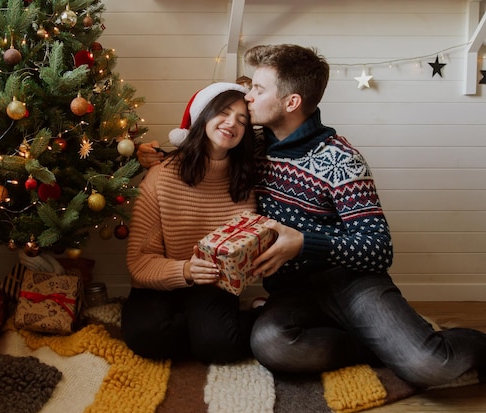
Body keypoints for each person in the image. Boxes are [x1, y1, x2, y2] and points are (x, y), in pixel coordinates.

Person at [137, 44, 486, 388]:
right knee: (271, 345)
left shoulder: (341, 158)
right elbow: (206, 150)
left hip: (352, 284)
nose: (248, 97)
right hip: (292, 292)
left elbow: (379, 248)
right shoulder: (252, 150)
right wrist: (159, 155)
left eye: (258, 89)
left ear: (291, 102)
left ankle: (467, 345)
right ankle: (370, 346)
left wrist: (305, 243)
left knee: (429, 365)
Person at [121, 82, 258, 364]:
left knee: (220, 348)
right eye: (224, 112)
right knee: (146, 337)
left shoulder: (244, 180)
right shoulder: (161, 176)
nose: (232, 123)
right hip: (162, 279)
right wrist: (185, 270)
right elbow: (140, 260)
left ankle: (252, 315)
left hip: (214, 285)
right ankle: (200, 330)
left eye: (242, 120)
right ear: (204, 115)